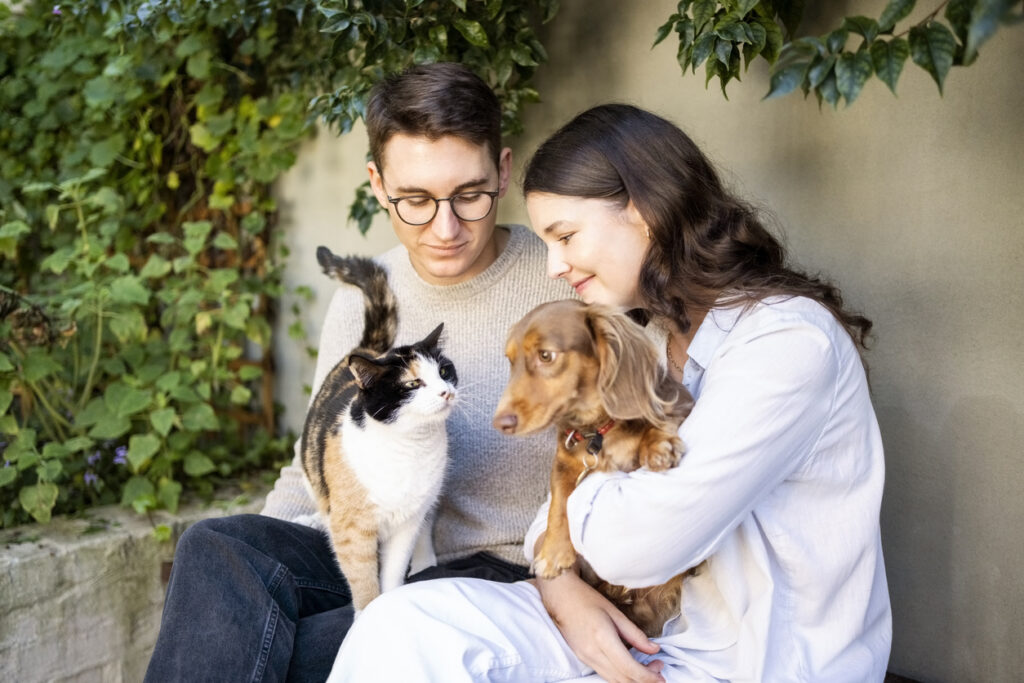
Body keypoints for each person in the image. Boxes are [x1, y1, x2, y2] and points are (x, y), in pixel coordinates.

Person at [328, 103, 893, 682]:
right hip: (623, 624)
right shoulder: (647, 334)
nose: (552, 266)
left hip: (740, 664)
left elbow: (637, 544)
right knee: (400, 626)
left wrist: (571, 498)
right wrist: (561, 588)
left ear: (645, 212)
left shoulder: (786, 343)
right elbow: (546, 530)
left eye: (566, 236)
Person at [143, 63, 568, 682]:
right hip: (366, 548)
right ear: (376, 183)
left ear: (503, 171)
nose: (445, 228)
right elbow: (314, 460)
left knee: (307, 653)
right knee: (218, 548)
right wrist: (258, 580)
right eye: (416, 200)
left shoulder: (562, 279)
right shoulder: (365, 298)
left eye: (470, 195)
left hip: (491, 576)